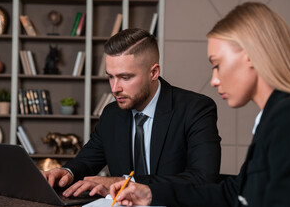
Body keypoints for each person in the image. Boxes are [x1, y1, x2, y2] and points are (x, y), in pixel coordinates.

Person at [110, 2, 290, 207]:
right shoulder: (275, 117)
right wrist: (150, 193)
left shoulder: (286, 119)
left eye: (217, 65)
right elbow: (236, 192)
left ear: (250, 56)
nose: (215, 80)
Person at [42, 28, 221, 197]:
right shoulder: (111, 114)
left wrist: (126, 182)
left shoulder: (196, 109)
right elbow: (87, 161)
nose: (114, 88)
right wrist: (67, 173)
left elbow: (203, 179)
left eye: (125, 77)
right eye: (110, 76)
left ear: (154, 72)